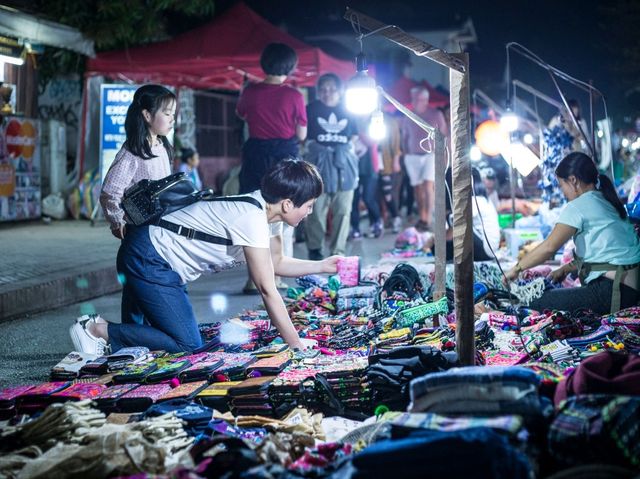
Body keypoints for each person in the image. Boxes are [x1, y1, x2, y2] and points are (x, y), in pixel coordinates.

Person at [69, 160, 339, 355]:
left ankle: (108, 339)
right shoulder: (253, 218)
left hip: (151, 254)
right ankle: (96, 329)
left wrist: (323, 266)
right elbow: (267, 289)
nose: (310, 212)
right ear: (288, 204)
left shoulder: (268, 214)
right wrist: (295, 344)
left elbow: (276, 263)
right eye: (309, 206)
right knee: (187, 344)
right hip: (150, 258)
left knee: (143, 341)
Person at [505, 152, 640, 314]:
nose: (562, 192)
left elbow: (549, 247)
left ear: (573, 181)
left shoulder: (578, 205)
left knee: (533, 301)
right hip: (628, 289)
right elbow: (604, 251)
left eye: (561, 185)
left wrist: (517, 268)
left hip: (613, 291)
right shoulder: (604, 199)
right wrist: (565, 269)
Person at [236, 42, 307, 292]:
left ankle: (253, 279)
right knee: (284, 213)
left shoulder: (249, 92)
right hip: (284, 157)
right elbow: (302, 132)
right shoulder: (295, 95)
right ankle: (276, 275)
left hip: (255, 155)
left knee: (255, 212)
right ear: (290, 66)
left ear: (264, 63)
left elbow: (243, 115)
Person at [100, 84, 176, 240]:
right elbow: (110, 191)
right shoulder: (133, 151)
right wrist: (117, 221)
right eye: (167, 113)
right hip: (140, 229)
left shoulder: (162, 147)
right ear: (147, 116)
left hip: (160, 226)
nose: (172, 119)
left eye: (173, 114)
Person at [304, 73, 358, 260]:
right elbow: (303, 137)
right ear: (318, 91)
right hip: (317, 166)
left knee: (343, 210)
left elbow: (355, 137)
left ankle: (338, 251)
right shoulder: (310, 109)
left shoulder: (350, 110)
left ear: (340, 91)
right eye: (323, 89)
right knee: (316, 210)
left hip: (343, 167)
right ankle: (315, 248)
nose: (328, 93)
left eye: (332, 89)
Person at [401, 86, 449, 231]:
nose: (418, 101)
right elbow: (404, 137)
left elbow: (444, 135)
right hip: (413, 156)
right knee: (417, 188)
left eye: (421, 99)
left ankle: (427, 218)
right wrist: (406, 153)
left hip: (430, 154)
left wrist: (443, 156)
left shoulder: (436, 114)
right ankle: (422, 215)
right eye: (416, 98)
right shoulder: (407, 115)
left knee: (428, 185)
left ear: (427, 100)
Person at [350, 124, 383, 239]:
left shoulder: (373, 122)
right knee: (354, 200)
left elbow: (373, 142)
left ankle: (376, 223)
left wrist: (359, 132)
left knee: (368, 198)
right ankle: (355, 229)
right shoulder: (351, 121)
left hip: (370, 168)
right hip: (353, 168)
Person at [379, 113, 403, 233]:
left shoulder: (390, 121)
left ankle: (395, 217)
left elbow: (396, 142)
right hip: (372, 162)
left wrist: (396, 161)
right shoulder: (366, 119)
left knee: (389, 193)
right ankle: (384, 219)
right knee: (378, 194)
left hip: (387, 162)